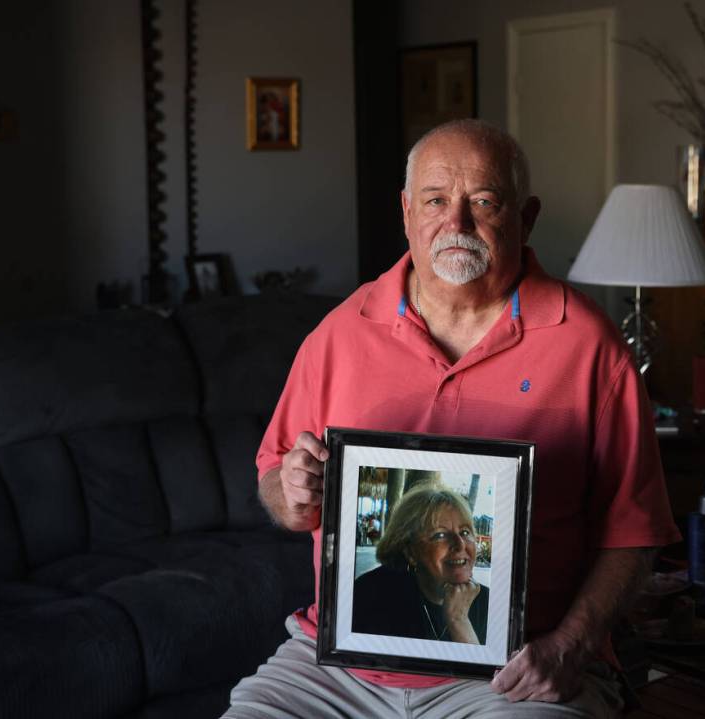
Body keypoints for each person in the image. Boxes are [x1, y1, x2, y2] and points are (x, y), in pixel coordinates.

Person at [224, 119, 681, 718]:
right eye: (437, 201)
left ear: (528, 216)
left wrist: (570, 645)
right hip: (335, 669)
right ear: (407, 211)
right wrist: (290, 487)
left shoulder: (591, 346)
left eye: (484, 202)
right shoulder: (339, 333)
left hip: (513, 673)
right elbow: (280, 489)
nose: (456, 224)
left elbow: (634, 534)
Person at [353, 484, 489, 644]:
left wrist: (459, 620)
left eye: (465, 532)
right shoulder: (370, 597)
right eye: (440, 535)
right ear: (411, 552)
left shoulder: (489, 605)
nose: (460, 544)